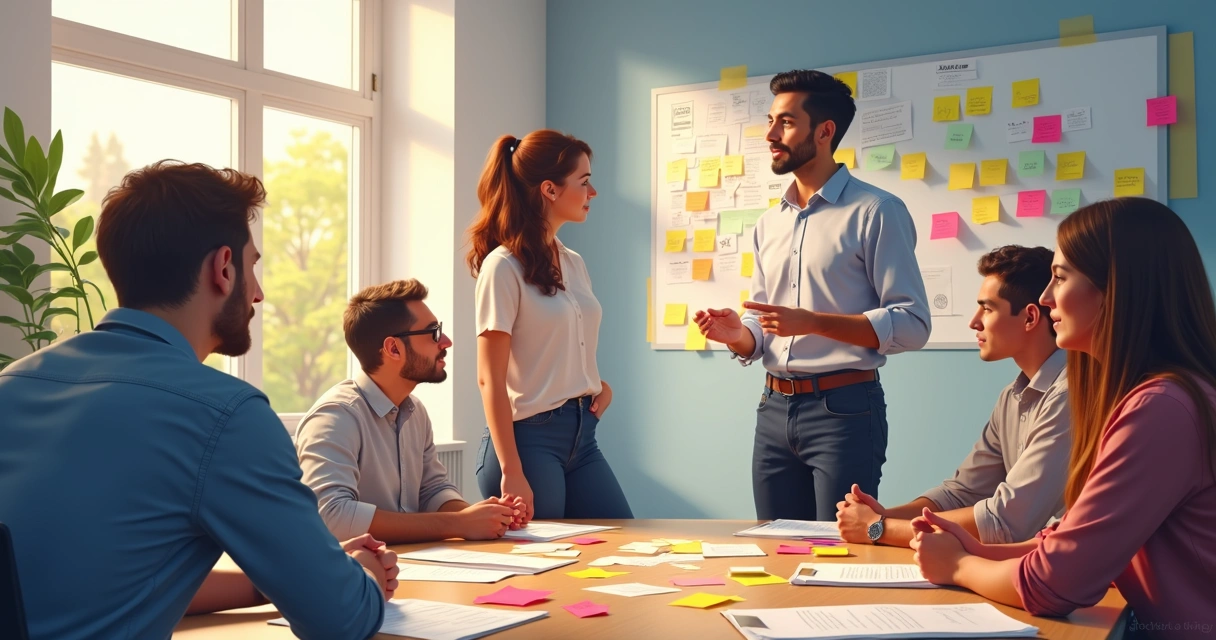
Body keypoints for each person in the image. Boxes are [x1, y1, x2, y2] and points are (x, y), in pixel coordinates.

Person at [0, 161, 394, 639]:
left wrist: (277, 580)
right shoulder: (225, 416)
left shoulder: (13, 384)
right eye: (253, 266)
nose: (259, 293)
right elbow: (342, 620)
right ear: (223, 268)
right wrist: (368, 574)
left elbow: (98, 580)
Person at [911, 198, 1216, 637]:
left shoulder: (1161, 408)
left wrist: (959, 565)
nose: (1045, 297)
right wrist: (974, 549)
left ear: (1116, 288)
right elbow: (1069, 542)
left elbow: (1056, 583)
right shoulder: (1147, 397)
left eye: (1060, 277)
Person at [694, 69, 931, 521]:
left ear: (824, 132)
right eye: (770, 120)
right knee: (775, 550)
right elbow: (764, 328)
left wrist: (815, 322)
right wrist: (737, 337)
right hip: (772, 409)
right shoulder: (769, 223)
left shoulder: (877, 212)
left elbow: (913, 324)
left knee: (837, 554)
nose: (769, 134)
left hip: (844, 412)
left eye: (784, 122)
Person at [836, 245, 1069, 547]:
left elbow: (1004, 521)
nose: (974, 322)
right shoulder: (1012, 397)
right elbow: (962, 492)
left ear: (1030, 318)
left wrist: (879, 528)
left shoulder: (1069, 395)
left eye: (987, 308)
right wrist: (884, 514)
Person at [468, 130, 632, 521]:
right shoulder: (503, 267)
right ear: (550, 189)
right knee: (547, 565)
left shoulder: (573, 262)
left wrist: (596, 387)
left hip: (582, 436)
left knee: (621, 539)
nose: (592, 193)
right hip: (528, 442)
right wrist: (512, 471)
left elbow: (564, 344)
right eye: (584, 182)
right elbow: (489, 379)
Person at [295, 279, 524, 543]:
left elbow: (432, 491)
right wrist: (458, 523)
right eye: (433, 333)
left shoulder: (415, 412)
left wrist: (485, 516)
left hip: (410, 565)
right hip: (356, 576)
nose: (446, 342)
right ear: (393, 348)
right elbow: (332, 516)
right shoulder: (335, 417)